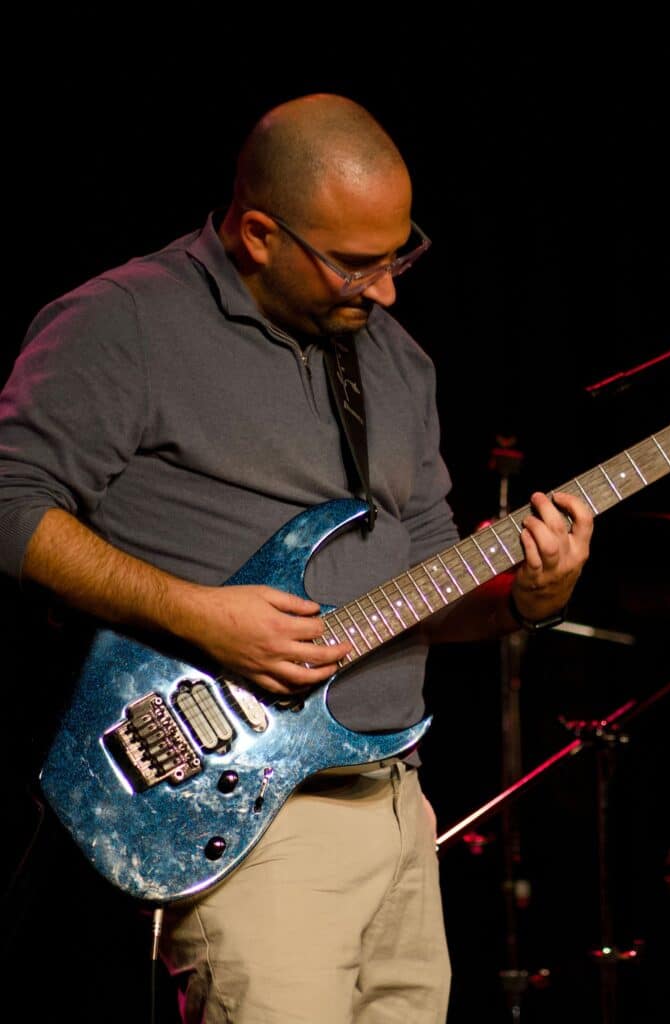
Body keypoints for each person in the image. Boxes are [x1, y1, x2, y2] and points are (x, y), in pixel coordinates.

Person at [0, 93, 593, 1023]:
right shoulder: (125, 321)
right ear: (259, 234)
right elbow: (9, 503)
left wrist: (526, 598)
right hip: (245, 810)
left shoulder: (397, 360)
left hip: (395, 801)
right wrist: (194, 614)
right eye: (356, 264)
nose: (385, 289)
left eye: (399, 255)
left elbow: (429, 578)